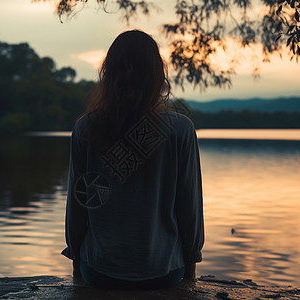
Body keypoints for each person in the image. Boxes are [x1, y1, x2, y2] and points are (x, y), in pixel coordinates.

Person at [62, 29, 204, 290]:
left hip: (99, 271)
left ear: (110, 74)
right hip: (164, 272)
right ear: (157, 76)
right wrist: (190, 269)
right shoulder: (180, 130)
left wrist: (77, 264)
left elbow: (78, 206)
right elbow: (189, 209)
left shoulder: (86, 128)